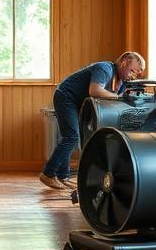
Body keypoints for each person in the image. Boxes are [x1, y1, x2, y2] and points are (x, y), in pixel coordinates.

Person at [40, 51, 146, 190]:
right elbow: (95, 90)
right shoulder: (104, 68)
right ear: (124, 62)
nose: (133, 76)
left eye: (137, 74)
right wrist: (119, 97)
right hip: (66, 96)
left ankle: (62, 176)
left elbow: (116, 95)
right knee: (71, 136)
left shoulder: (120, 80)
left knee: (71, 136)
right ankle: (48, 173)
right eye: (133, 71)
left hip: (77, 101)